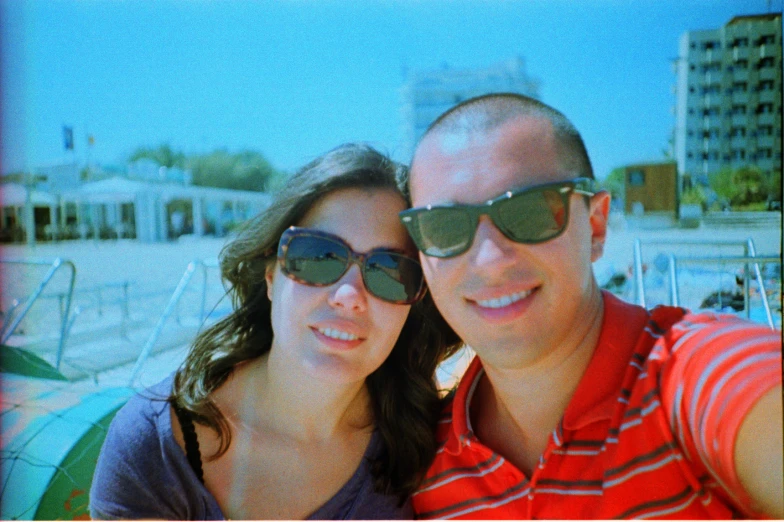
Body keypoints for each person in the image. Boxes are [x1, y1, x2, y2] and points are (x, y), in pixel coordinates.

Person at [399, 93, 783, 519]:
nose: (490, 261)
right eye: (444, 227)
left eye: (531, 212)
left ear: (596, 226)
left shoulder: (692, 379)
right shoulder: (422, 469)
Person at [90, 143, 460, 520]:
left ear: (414, 300)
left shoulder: (428, 444)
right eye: (319, 256)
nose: (349, 297)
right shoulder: (156, 446)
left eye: (389, 271)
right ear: (271, 276)